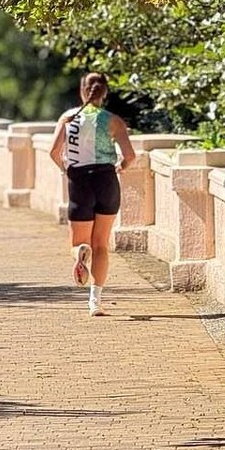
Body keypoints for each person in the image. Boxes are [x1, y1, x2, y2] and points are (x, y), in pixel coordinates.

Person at [49, 72, 136, 317]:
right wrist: (121, 166)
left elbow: (54, 152)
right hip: (106, 180)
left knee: (79, 243)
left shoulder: (68, 118)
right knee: (102, 245)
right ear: (105, 93)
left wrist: (65, 168)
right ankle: (95, 302)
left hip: (80, 182)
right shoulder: (113, 121)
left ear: (82, 90)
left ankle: (80, 253)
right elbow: (130, 156)